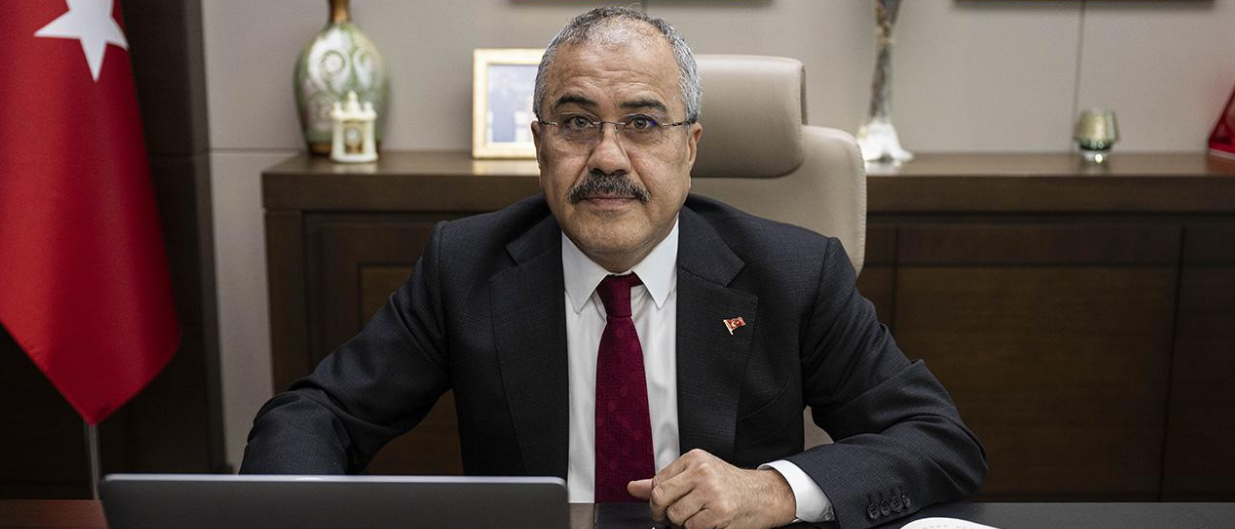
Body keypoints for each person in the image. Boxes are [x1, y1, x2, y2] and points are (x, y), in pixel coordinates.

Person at [241, 7, 986, 529]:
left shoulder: (792, 271)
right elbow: (314, 416)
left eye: (641, 123)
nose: (606, 157)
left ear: (690, 147)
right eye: (575, 123)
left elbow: (935, 438)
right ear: (540, 145)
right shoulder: (463, 266)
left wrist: (775, 490)